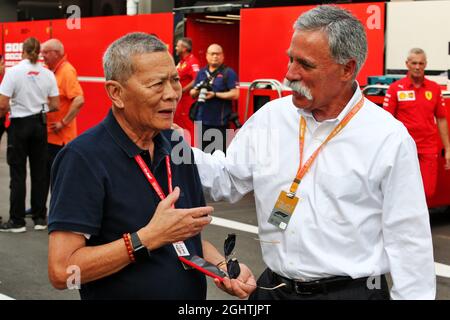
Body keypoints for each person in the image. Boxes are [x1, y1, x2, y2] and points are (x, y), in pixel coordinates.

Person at [192, 5, 435, 299]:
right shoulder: (271, 118)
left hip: (351, 293)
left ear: (347, 68)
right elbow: (226, 178)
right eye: (290, 59)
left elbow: (409, 241)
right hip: (274, 289)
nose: (289, 74)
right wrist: (166, 143)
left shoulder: (387, 138)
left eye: (305, 65)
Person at [47, 32, 255, 300]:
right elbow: (63, 271)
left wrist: (222, 267)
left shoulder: (177, 146)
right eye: (156, 84)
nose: (171, 94)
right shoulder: (83, 158)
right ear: (116, 93)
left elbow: (183, 240)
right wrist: (144, 239)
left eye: (175, 80)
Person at [0, 37, 59, 232]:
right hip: (39, 124)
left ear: (23, 51)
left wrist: (11, 109)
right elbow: (55, 105)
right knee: (39, 172)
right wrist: (39, 107)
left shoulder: (13, 72)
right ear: (39, 52)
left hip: (19, 124)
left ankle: (17, 221)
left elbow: (2, 104)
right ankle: (40, 218)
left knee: (18, 173)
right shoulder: (47, 74)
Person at [384, 48, 450, 202]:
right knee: (402, 190)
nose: (417, 66)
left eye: (421, 63)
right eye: (414, 63)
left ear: (425, 64)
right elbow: (387, 120)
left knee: (427, 192)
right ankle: (406, 224)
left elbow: (441, 119)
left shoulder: (434, 89)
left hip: (428, 148)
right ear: (407, 64)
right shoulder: (395, 89)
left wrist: (448, 148)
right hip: (403, 148)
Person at [40, 39, 85, 227]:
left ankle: (58, 215)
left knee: (58, 178)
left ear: (57, 53)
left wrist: (63, 122)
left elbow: (79, 99)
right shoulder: (52, 71)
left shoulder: (67, 71)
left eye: (46, 53)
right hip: (49, 136)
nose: (42, 56)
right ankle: (39, 209)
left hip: (61, 139)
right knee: (44, 175)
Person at [190, 44, 239, 153]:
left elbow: (235, 94)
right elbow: (192, 92)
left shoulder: (228, 73)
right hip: (201, 121)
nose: (215, 56)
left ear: (223, 56)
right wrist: (199, 90)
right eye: (212, 54)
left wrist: (215, 94)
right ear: (207, 56)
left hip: (220, 123)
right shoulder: (201, 73)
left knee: (219, 156)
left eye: (218, 54)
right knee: (201, 155)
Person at [174, 37, 199, 142]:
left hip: (187, 102)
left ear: (184, 48)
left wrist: (183, 90)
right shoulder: (181, 63)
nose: (175, 48)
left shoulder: (192, 61)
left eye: (177, 46)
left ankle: (192, 149)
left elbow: (196, 79)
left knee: (189, 126)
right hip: (179, 102)